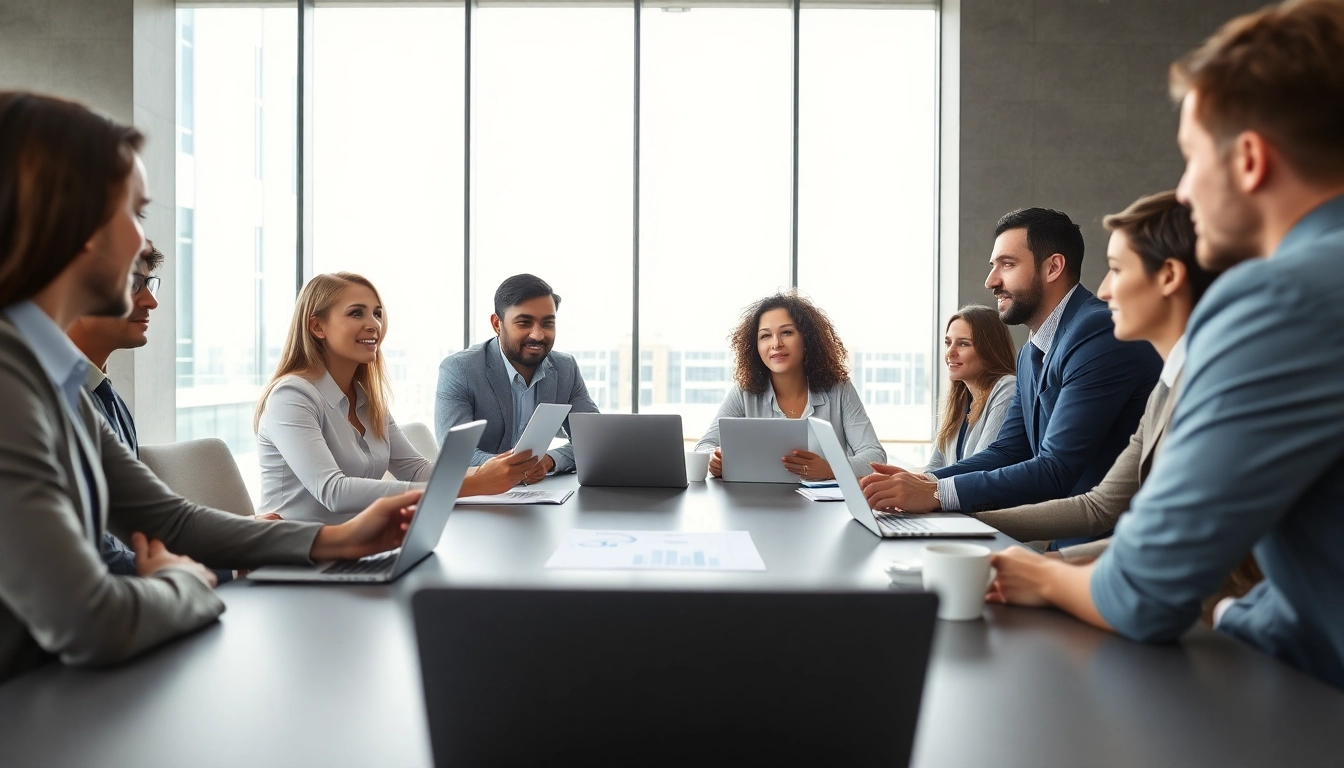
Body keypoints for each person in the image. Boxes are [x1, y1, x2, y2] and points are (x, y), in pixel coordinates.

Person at [987, 0, 1344, 691]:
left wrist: (1034, 572)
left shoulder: (1278, 299)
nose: (1183, 189)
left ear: (1248, 160)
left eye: (1189, 157)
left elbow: (1143, 594)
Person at [0, 91, 417, 683]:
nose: (144, 246)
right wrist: (186, 581)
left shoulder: (52, 375)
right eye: (134, 212)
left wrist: (336, 541)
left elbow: (171, 520)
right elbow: (93, 620)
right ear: (75, 223)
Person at [861, 208, 1162, 551]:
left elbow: (1055, 467)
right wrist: (920, 481)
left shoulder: (1096, 331)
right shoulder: (1030, 354)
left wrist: (935, 493)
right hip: (1067, 543)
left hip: (1111, 548)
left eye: (1006, 264)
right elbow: (1009, 450)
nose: (991, 281)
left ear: (1053, 267)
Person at [976, 192, 1217, 555]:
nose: (1103, 289)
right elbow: (1100, 508)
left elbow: (1183, 546)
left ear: (1168, 276)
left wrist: (1047, 573)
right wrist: (956, 518)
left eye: (1117, 269)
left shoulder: (1214, 388)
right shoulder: (1168, 387)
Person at [256, 272, 538, 524]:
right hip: (297, 557)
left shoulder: (366, 397)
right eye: (356, 313)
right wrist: (471, 485)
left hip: (357, 549)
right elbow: (334, 492)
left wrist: (487, 472)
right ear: (318, 327)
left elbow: (415, 470)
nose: (373, 325)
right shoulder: (292, 396)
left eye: (377, 314)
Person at [696, 291, 885, 481]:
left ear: (807, 340)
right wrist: (714, 459)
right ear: (755, 346)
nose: (776, 344)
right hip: (759, 502)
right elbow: (704, 447)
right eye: (765, 336)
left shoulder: (839, 389)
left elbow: (875, 456)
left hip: (824, 508)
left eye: (787, 332)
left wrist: (831, 469)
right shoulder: (743, 393)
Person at [435, 274, 599, 481]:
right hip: (480, 499)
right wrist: (514, 469)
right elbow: (455, 455)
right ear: (497, 324)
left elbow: (594, 442)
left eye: (547, 324)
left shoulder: (566, 368)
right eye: (524, 323)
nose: (538, 335)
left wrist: (550, 460)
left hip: (540, 499)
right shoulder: (460, 370)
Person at [924, 305, 1016, 472]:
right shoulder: (961, 399)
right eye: (948, 342)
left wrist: (919, 484)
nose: (950, 352)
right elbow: (934, 466)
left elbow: (982, 466)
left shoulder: (1007, 389)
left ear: (989, 349)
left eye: (963, 344)